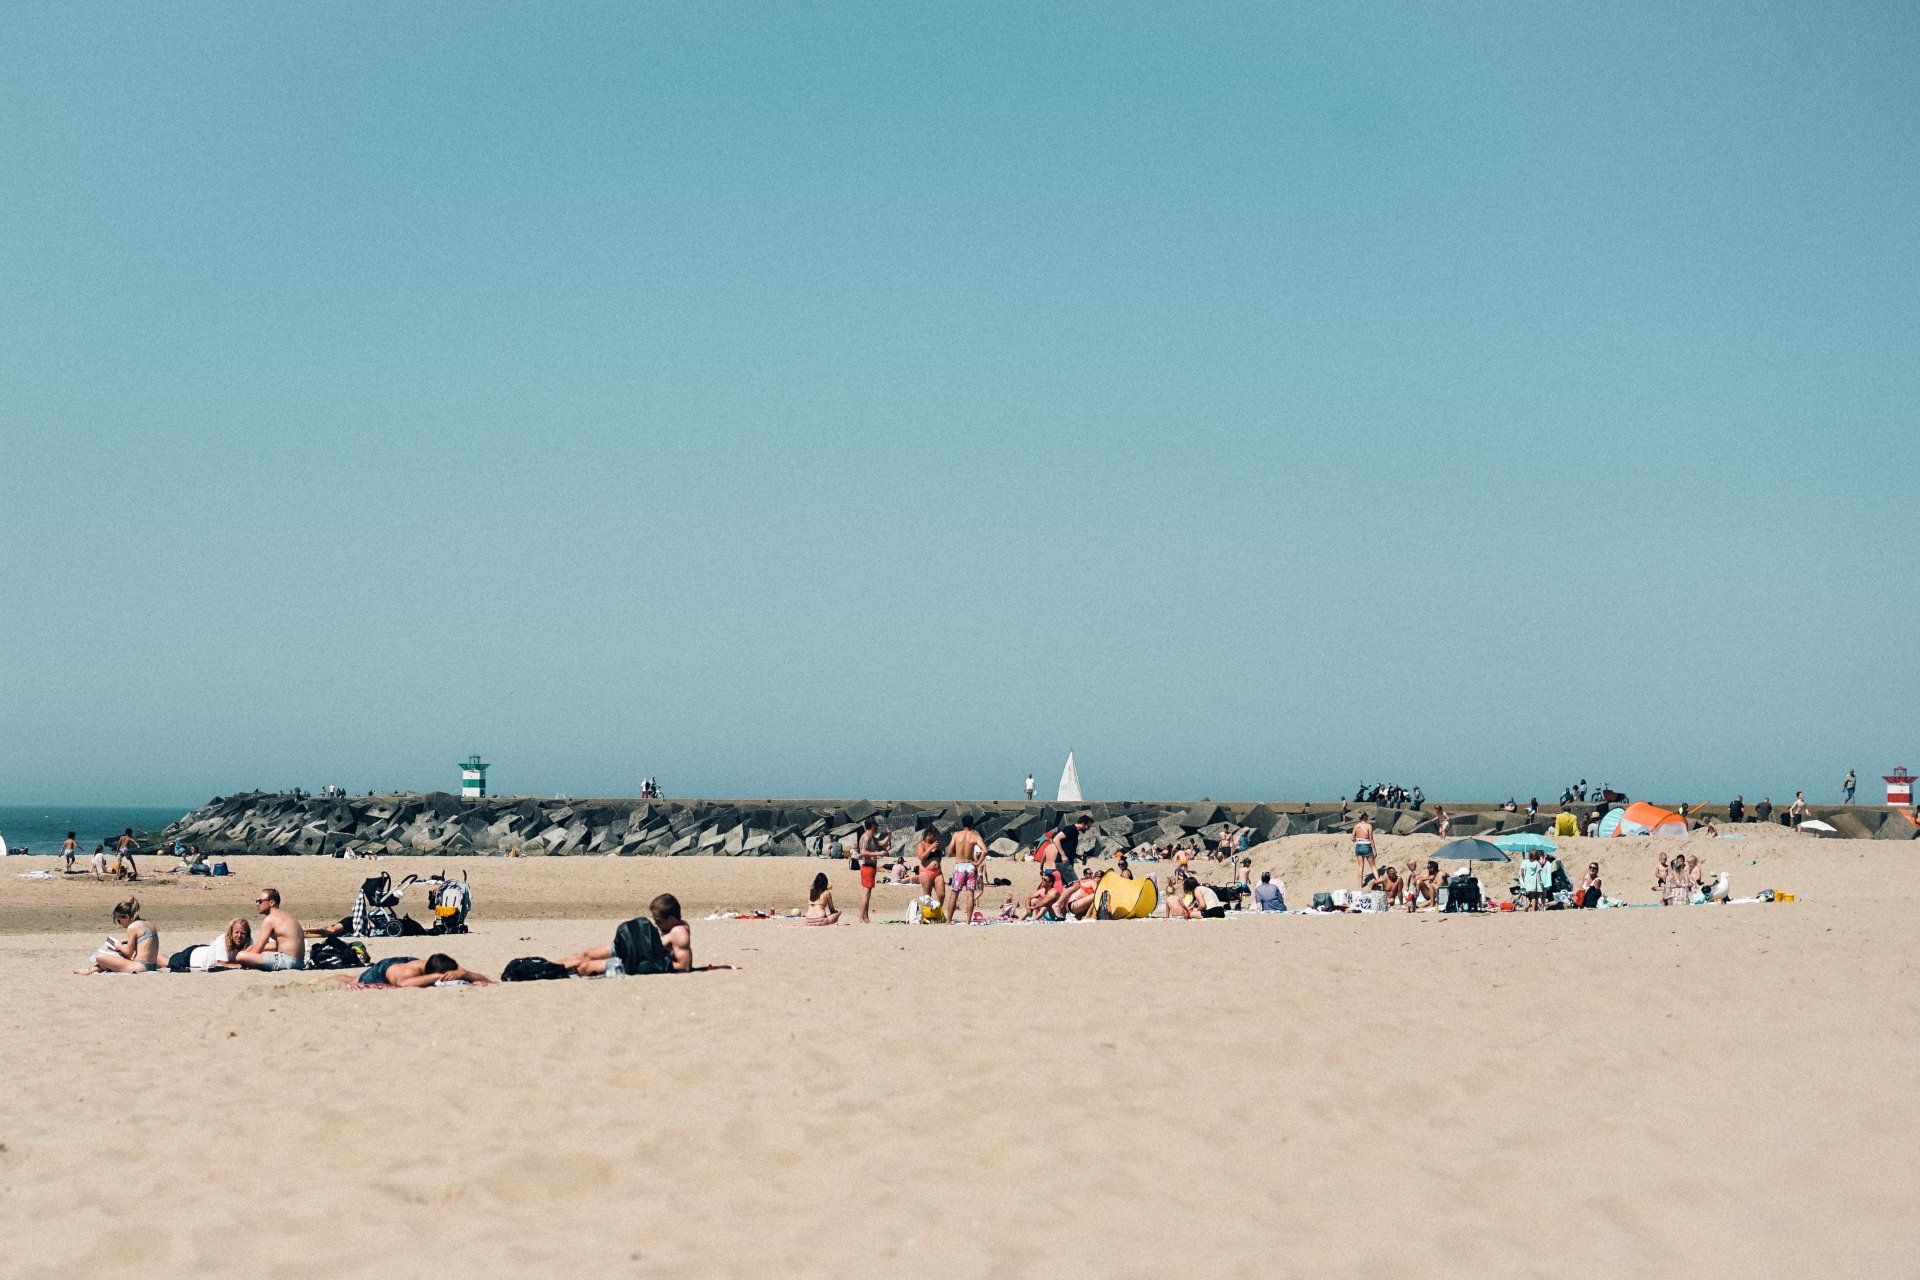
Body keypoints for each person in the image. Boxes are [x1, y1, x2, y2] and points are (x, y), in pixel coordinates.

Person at [561, 893, 697, 975]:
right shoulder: (671, 928)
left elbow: (684, 966)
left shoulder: (679, 933)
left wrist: (651, 965)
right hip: (631, 948)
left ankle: (558, 969)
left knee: (585, 967)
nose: (655, 924)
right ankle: (552, 966)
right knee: (585, 954)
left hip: (633, 960)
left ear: (671, 919)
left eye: (658, 920)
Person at [233, 888, 306, 970]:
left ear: (272, 903)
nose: (257, 904)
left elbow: (260, 946)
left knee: (241, 955)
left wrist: (248, 958)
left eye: (260, 901)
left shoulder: (270, 919)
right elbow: (282, 944)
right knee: (259, 951)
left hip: (287, 961)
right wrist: (252, 947)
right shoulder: (288, 916)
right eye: (257, 901)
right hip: (299, 962)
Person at [80, 898, 160, 973]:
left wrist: (119, 946)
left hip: (141, 966)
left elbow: (129, 953)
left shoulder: (132, 927)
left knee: (99, 957)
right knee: (114, 958)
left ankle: (90, 970)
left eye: (119, 920)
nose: (119, 923)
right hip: (152, 966)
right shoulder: (148, 923)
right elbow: (145, 944)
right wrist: (128, 941)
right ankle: (91, 970)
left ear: (126, 917)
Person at [316, 953, 493, 987]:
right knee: (353, 980)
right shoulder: (408, 974)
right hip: (385, 969)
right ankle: (319, 981)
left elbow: (482, 978)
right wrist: (436, 977)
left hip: (408, 961)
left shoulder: (444, 963)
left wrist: (465, 974)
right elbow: (402, 983)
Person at [944, 816, 986, 925]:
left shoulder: (956, 835)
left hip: (959, 866)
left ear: (962, 824)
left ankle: (948, 920)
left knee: (954, 894)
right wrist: (978, 863)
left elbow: (949, 850)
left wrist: (956, 853)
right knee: (970, 894)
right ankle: (968, 921)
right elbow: (985, 851)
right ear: (972, 824)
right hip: (970, 866)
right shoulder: (975, 836)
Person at [855, 817, 886, 924]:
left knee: (868, 894)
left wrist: (889, 835)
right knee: (866, 893)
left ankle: (866, 918)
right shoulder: (866, 837)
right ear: (872, 826)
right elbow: (863, 852)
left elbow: (881, 843)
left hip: (871, 867)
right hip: (867, 867)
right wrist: (878, 853)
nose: (877, 827)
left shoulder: (871, 837)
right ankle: (861, 918)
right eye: (876, 825)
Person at [915, 824, 943, 901]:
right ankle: (927, 909)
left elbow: (940, 857)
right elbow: (921, 857)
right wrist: (931, 847)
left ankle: (937, 908)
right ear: (928, 834)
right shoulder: (921, 844)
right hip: (926, 872)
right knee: (928, 896)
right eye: (934, 835)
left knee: (941, 895)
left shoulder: (936, 844)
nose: (936, 837)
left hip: (938, 872)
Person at [1350, 812, 1378, 884]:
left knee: (1360, 866)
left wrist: (1359, 840)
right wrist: (1374, 850)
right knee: (1373, 866)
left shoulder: (1356, 826)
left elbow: (1352, 838)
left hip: (1358, 846)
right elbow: (1371, 838)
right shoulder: (1369, 826)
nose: (1368, 817)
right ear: (1365, 817)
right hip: (1366, 846)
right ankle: (1378, 881)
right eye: (1367, 816)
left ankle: (1360, 885)